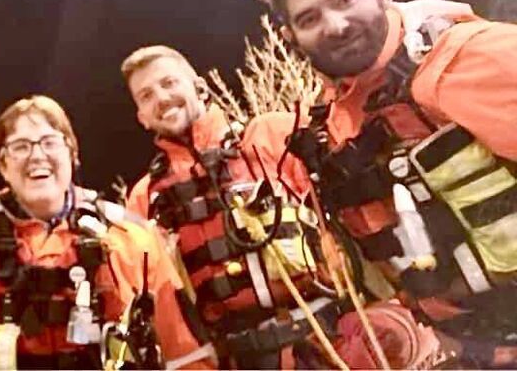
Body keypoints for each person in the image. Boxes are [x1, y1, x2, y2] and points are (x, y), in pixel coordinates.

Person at [255, 0, 517, 367]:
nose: (335, 26)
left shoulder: (472, 58)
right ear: (289, 38)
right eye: (309, 19)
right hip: (469, 349)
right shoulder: (329, 128)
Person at [122, 44, 439, 368]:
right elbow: (162, 307)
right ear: (141, 117)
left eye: (169, 83)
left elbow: (357, 207)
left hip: (329, 342)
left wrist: (409, 300)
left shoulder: (272, 135)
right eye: (146, 95)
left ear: (198, 86)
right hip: (239, 360)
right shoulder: (146, 199)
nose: (161, 98)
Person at [0, 94, 215, 370]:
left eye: (50, 142)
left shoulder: (131, 236)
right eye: (20, 146)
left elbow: (185, 354)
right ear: (2, 166)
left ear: (72, 154)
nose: (37, 155)